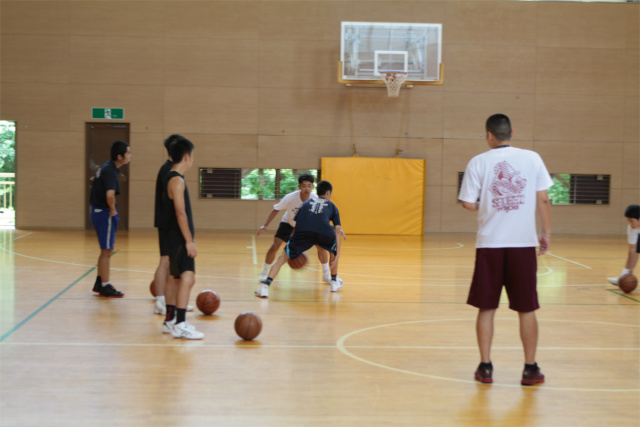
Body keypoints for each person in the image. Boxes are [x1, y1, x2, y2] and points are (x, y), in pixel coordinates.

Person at [458, 114, 552, 386]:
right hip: (523, 245)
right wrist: (545, 234)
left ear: (489, 135)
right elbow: (543, 199)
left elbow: (467, 203)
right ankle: (530, 369)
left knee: (486, 308)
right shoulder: (532, 158)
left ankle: (485, 367)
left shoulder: (478, 162)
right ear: (511, 132)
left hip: (490, 245)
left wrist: (483, 205)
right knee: (527, 308)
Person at [255, 180, 345, 299]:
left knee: (282, 258)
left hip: (304, 232)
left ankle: (265, 287)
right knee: (332, 251)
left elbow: (298, 222)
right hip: (324, 232)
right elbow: (337, 230)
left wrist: (295, 241)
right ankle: (333, 282)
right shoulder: (332, 206)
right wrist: (337, 253)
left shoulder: (307, 203)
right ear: (328, 193)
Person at [161, 136, 203, 339]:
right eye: (192, 156)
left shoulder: (171, 177)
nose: (192, 160)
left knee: (175, 278)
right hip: (178, 237)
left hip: (172, 236)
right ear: (186, 157)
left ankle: (169, 321)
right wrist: (188, 240)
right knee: (188, 277)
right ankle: (180, 323)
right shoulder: (176, 180)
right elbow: (180, 212)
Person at [257, 174, 331, 283]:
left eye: (309, 186)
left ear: (313, 186)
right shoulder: (290, 197)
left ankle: (326, 275)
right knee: (275, 245)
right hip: (288, 223)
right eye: (304, 186)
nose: (306, 188)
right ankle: (264, 272)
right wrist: (265, 225)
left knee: (321, 247)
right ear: (299, 186)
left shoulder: (316, 199)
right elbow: (276, 209)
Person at [151, 134, 193, 315]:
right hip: (168, 225)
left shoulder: (172, 170)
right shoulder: (169, 172)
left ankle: (174, 303)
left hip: (170, 225)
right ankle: (161, 301)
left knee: (172, 267)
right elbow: (174, 207)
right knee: (166, 261)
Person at [90, 140, 131, 298]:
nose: (130, 155)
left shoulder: (107, 167)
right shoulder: (110, 170)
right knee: (107, 250)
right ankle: (105, 285)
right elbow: (110, 195)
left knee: (105, 250)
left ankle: (100, 282)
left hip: (97, 210)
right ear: (120, 156)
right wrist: (113, 210)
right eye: (128, 153)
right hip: (103, 212)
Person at [607, 204, 639, 286]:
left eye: (631, 221)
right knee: (635, 249)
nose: (629, 223)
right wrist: (628, 273)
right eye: (628, 221)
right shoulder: (631, 227)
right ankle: (623, 276)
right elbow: (632, 249)